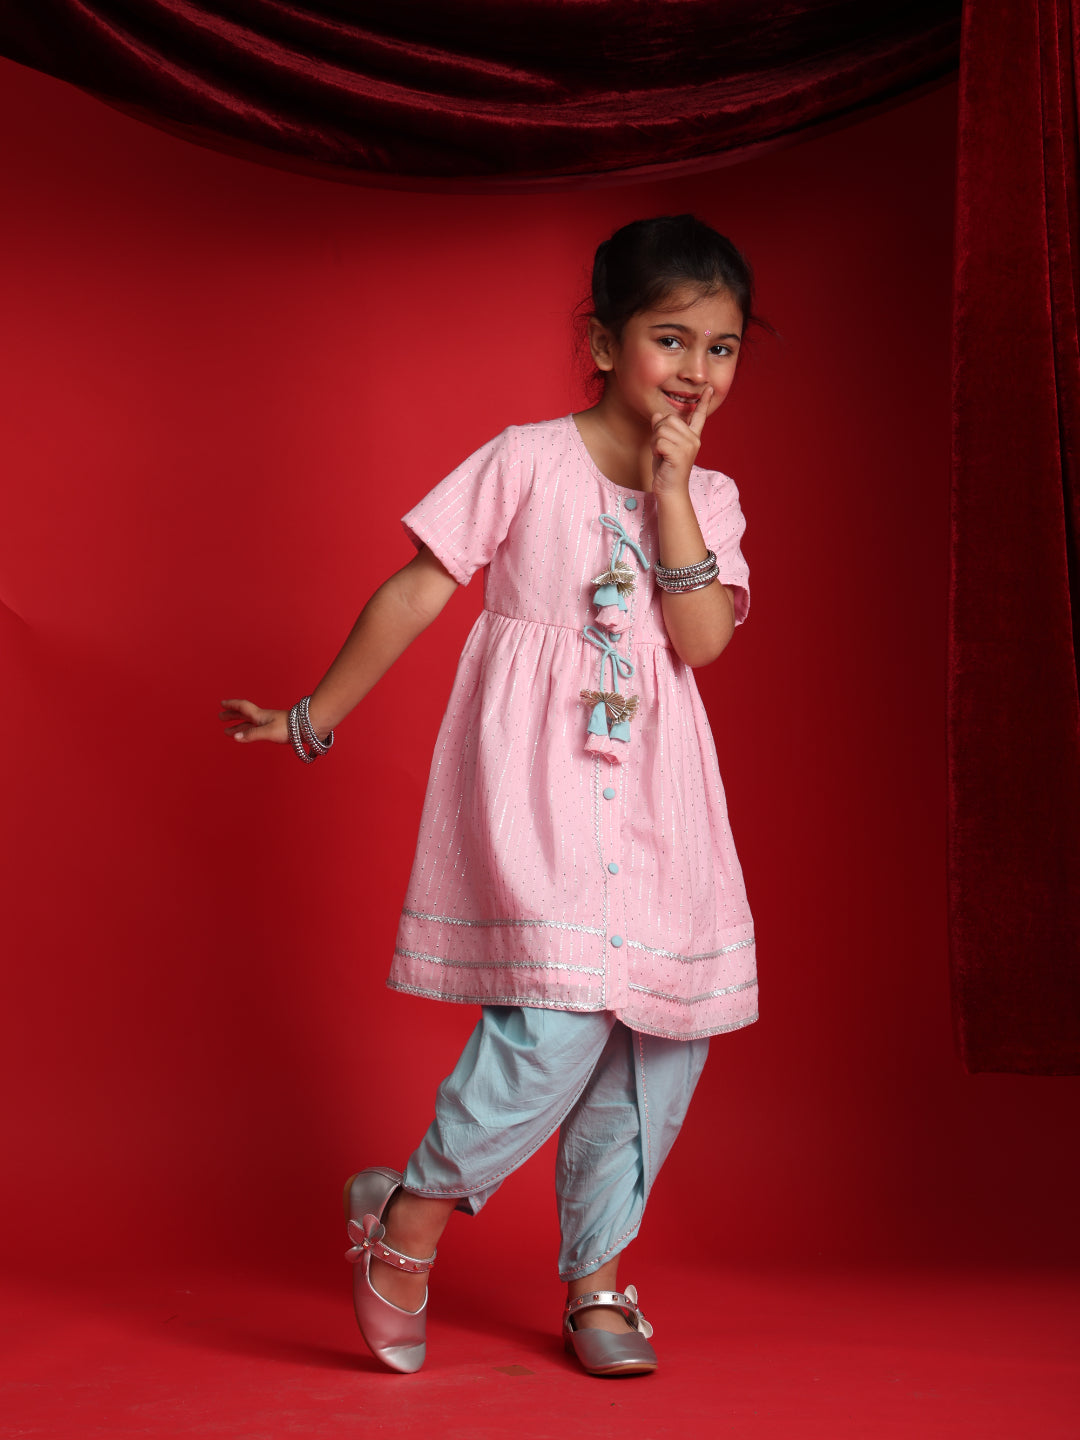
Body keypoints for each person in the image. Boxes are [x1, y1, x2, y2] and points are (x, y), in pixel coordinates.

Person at [219, 213, 762, 1379]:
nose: (697, 371)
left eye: (721, 348)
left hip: (663, 805)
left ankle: (598, 1279)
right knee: (556, 1021)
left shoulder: (713, 497)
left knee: (662, 1041)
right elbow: (418, 590)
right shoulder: (524, 459)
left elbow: (703, 641)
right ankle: (410, 1222)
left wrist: (671, 491)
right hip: (543, 785)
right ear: (604, 342)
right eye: (672, 339)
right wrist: (313, 714)